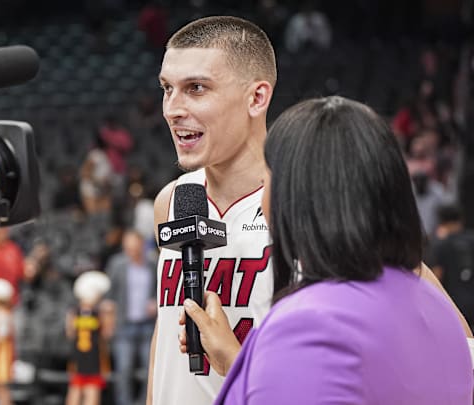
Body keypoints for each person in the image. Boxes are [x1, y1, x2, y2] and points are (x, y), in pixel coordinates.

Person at [148, 15, 474, 405]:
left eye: (195, 88)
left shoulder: (320, 200)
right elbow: (167, 338)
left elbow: (455, 339)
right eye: (168, 89)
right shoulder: (171, 201)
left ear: (257, 97)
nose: (173, 108)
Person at [104, 229, 157, 405]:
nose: (131, 251)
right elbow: (109, 295)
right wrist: (108, 320)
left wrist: (156, 302)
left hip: (147, 325)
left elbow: (162, 290)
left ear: (141, 245)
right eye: (128, 247)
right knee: (123, 371)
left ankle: (144, 402)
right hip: (124, 325)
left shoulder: (152, 264)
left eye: (134, 247)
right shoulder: (117, 265)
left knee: (150, 370)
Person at [66, 271, 115, 405]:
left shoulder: (74, 312)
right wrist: (110, 315)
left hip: (80, 358)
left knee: (77, 391)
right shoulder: (98, 313)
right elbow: (107, 333)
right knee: (88, 392)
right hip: (93, 359)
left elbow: (69, 333)